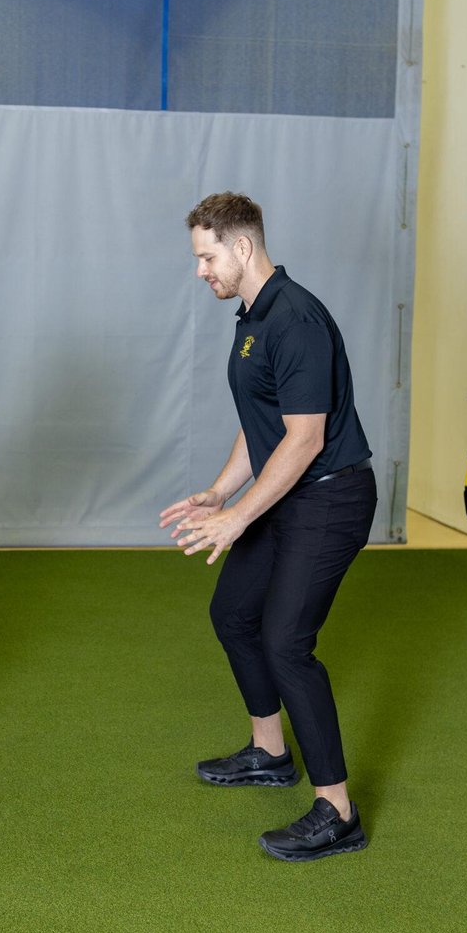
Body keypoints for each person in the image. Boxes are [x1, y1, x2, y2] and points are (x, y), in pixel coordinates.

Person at [160, 192, 377, 862]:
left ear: (243, 247)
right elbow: (264, 423)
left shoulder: (297, 320)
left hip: (330, 500)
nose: (201, 271)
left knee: (287, 643)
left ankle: (336, 809)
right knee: (233, 614)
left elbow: (305, 439)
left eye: (207, 257)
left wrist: (236, 518)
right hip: (286, 496)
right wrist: (219, 492)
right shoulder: (253, 316)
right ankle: (269, 751)